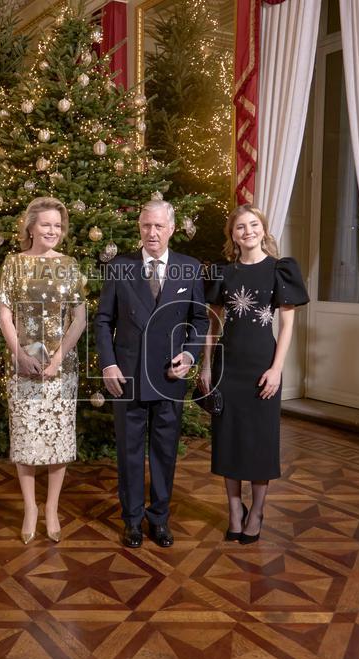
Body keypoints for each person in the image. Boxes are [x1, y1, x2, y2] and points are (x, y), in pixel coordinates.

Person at [95, 200, 208, 549]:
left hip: (169, 376)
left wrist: (189, 354)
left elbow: (200, 320)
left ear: (171, 229)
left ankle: (159, 519)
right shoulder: (120, 267)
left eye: (159, 226)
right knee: (129, 452)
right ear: (139, 228)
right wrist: (108, 364)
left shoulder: (189, 268)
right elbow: (103, 321)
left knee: (164, 452)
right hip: (127, 376)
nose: (152, 232)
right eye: (146, 226)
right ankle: (131, 520)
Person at [198, 204, 309, 544]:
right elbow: (213, 324)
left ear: (263, 229)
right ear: (232, 235)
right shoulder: (223, 272)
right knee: (227, 441)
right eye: (240, 227)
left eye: (253, 225)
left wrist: (277, 369)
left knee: (260, 442)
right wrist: (206, 365)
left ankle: (257, 511)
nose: (247, 231)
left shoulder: (280, 270)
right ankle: (235, 511)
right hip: (227, 367)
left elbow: (287, 325)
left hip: (263, 367)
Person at [0, 197, 87, 544]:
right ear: (31, 227)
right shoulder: (14, 264)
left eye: (58, 226)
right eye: (46, 224)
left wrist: (58, 360)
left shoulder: (69, 265)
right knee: (26, 438)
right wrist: (19, 354)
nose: (53, 230)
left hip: (61, 369)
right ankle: (30, 508)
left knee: (58, 439)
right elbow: (5, 314)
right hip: (23, 367)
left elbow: (79, 319)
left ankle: (51, 508)